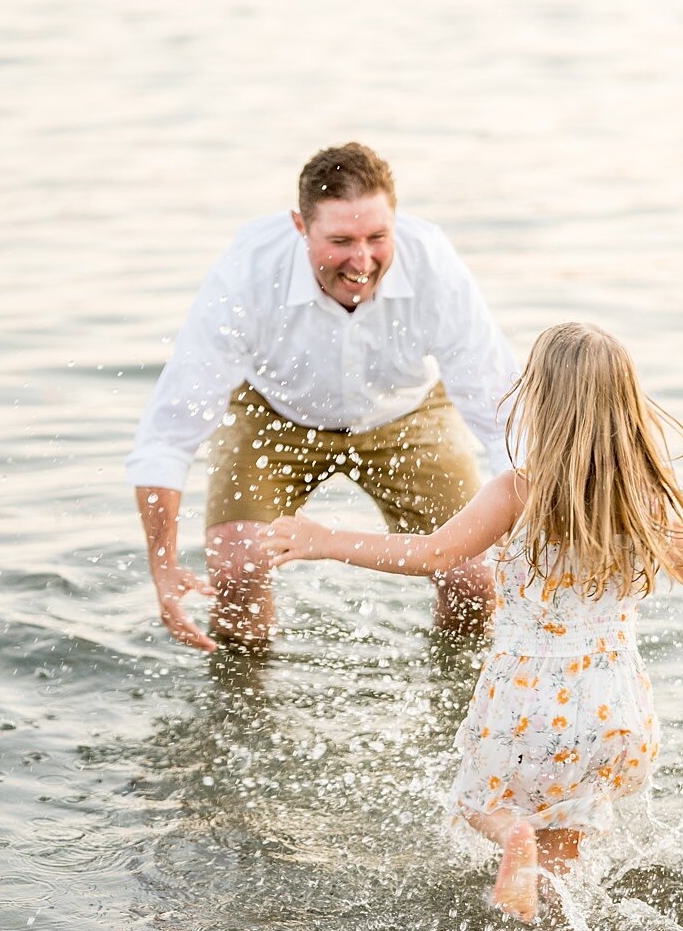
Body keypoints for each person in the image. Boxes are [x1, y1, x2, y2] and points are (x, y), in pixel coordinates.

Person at [265, 322, 683, 921]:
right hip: (616, 709)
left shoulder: (518, 491)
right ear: (627, 403)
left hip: (530, 699)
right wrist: (661, 515)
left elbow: (432, 555)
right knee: (566, 840)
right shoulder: (650, 493)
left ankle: (512, 841)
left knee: (480, 802)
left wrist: (324, 540)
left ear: (540, 401)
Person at [127, 142, 518, 652]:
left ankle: (464, 705)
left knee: (473, 577)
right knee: (238, 567)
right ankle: (244, 707)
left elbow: (502, 415)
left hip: (407, 410)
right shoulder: (247, 270)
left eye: (378, 236)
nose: (362, 261)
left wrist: (529, 533)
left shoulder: (434, 265)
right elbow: (168, 434)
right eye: (340, 240)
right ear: (299, 226)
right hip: (275, 411)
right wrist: (164, 567)